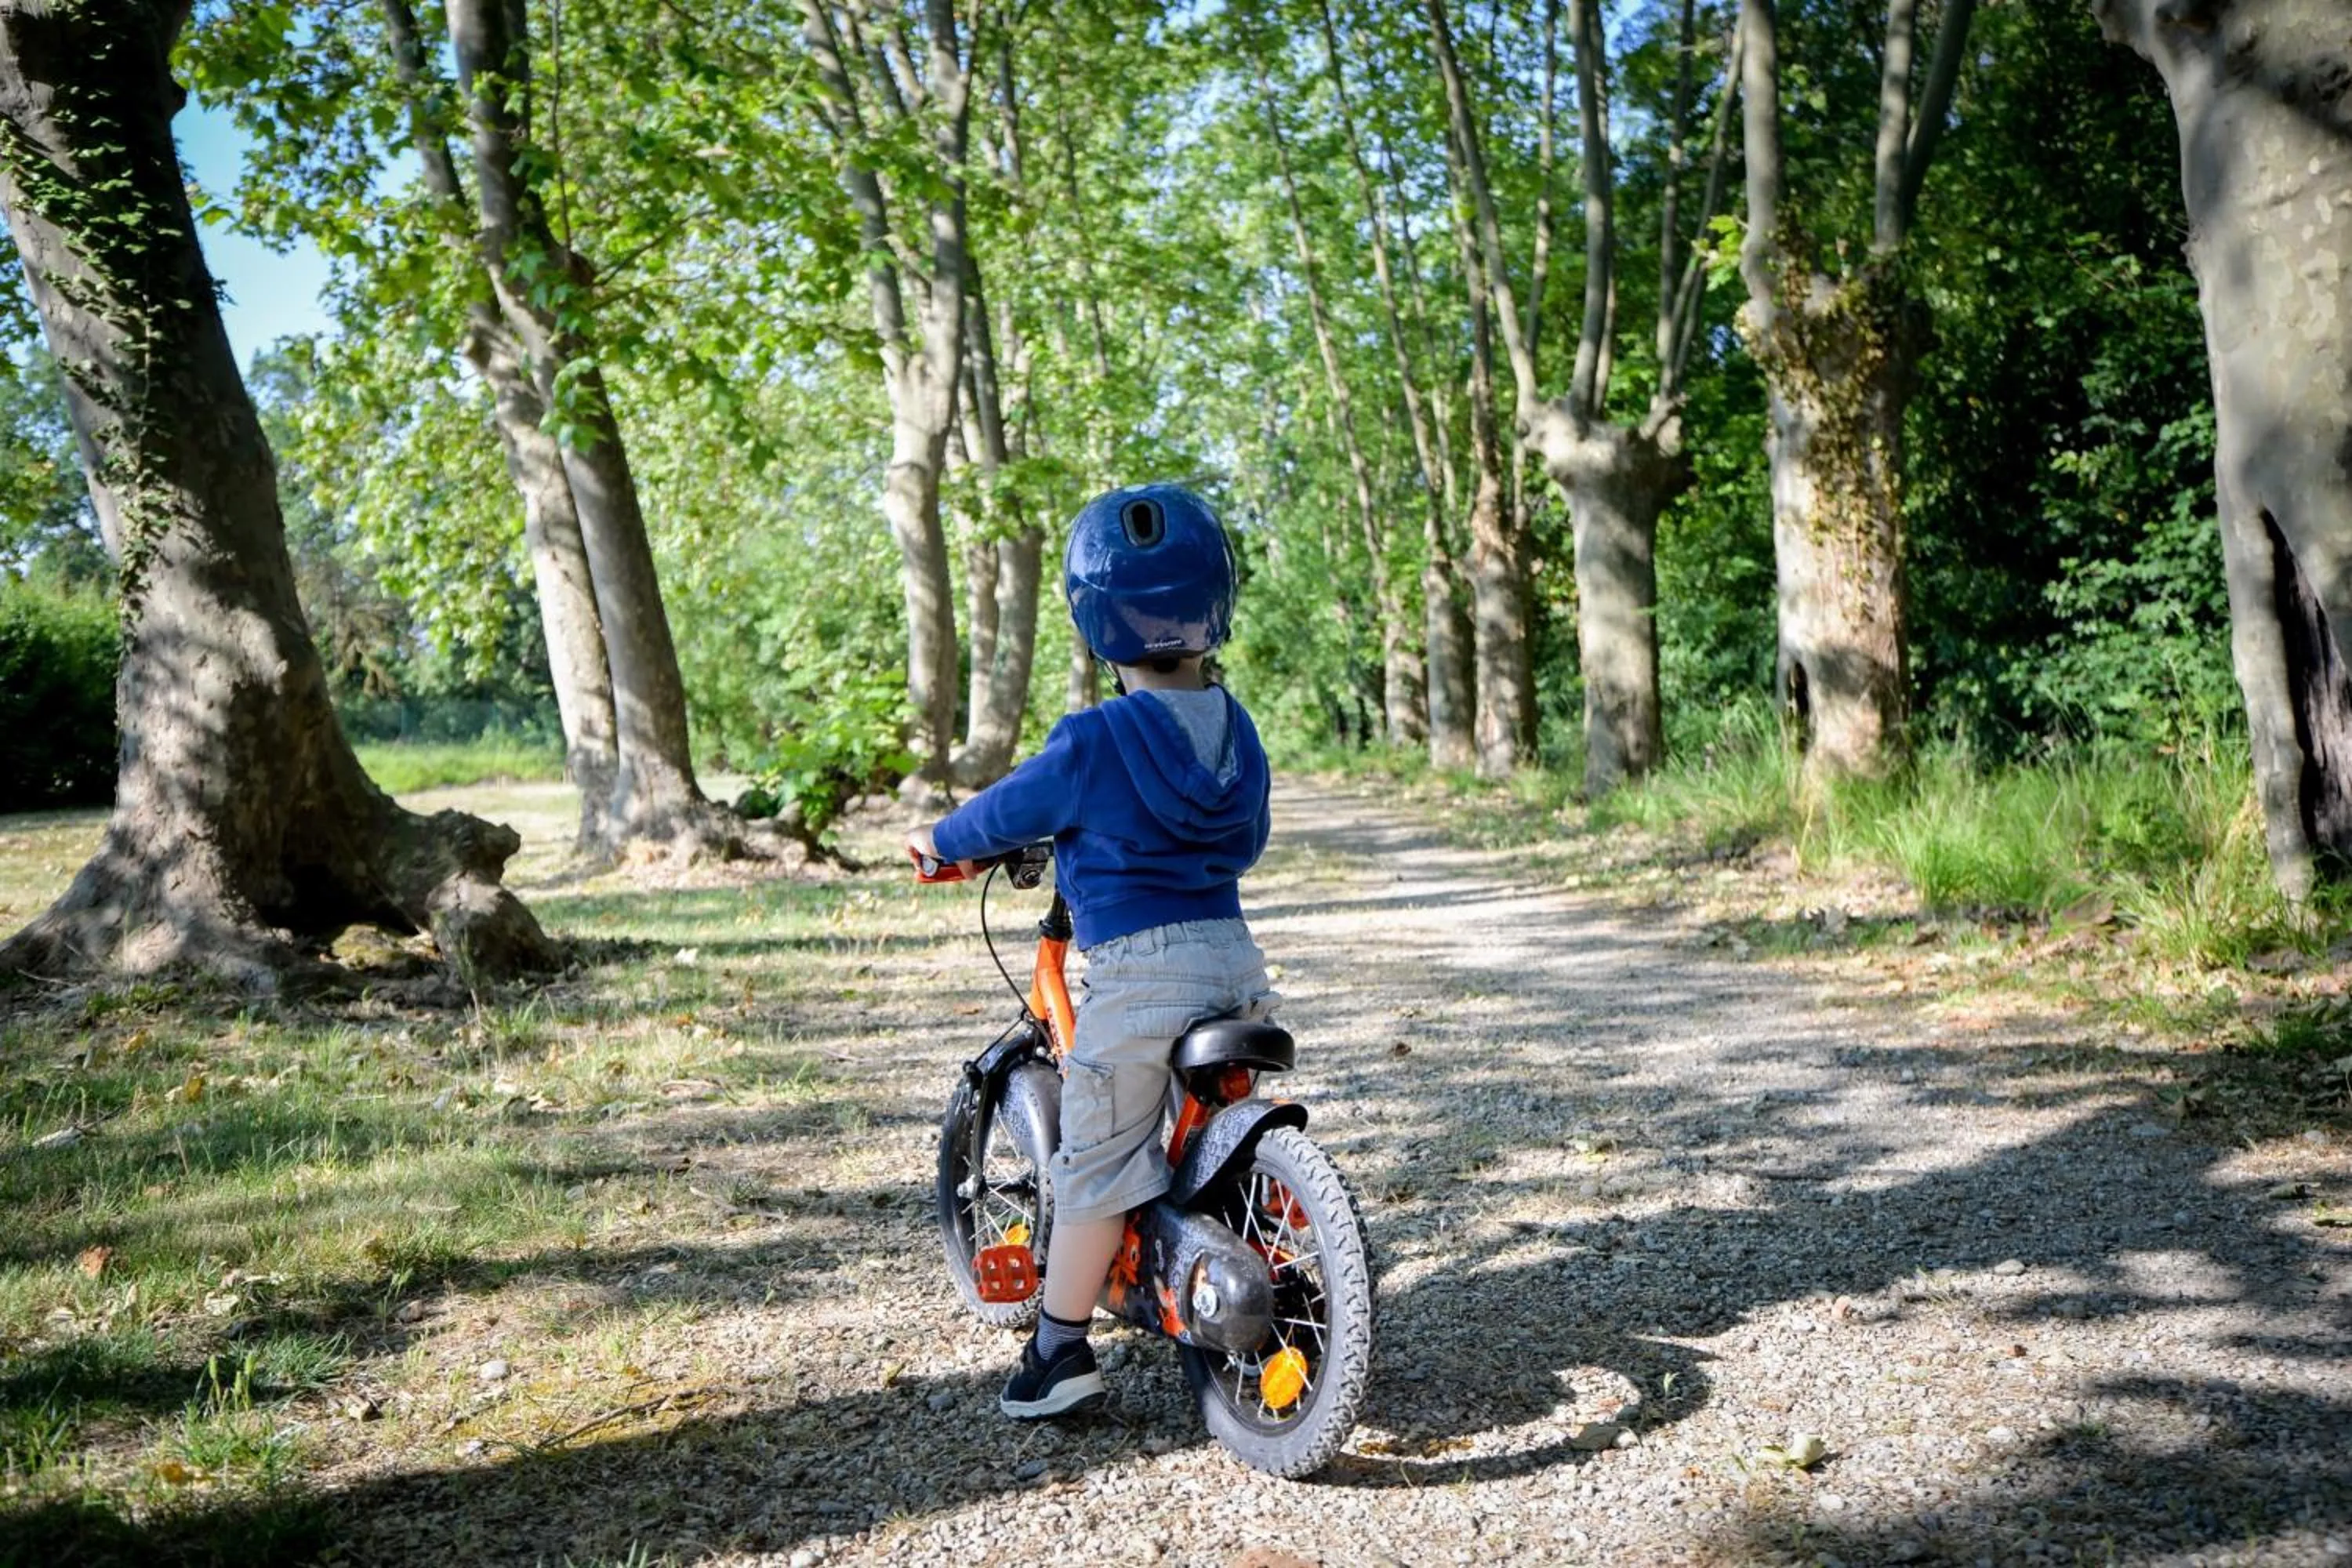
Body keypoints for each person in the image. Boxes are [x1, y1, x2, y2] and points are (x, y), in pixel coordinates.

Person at [908, 483, 1276, 1420]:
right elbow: (1246, 839)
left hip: (1140, 977)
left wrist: (944, 841)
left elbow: (1010, 808)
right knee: (1192, 1123)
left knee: (1094, 1167)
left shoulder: (1092, 738)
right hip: (1233, 962)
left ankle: (1060, 1351)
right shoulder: (1238, 729)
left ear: (1094, 621)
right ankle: (1249, 1230)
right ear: (1214, 609)